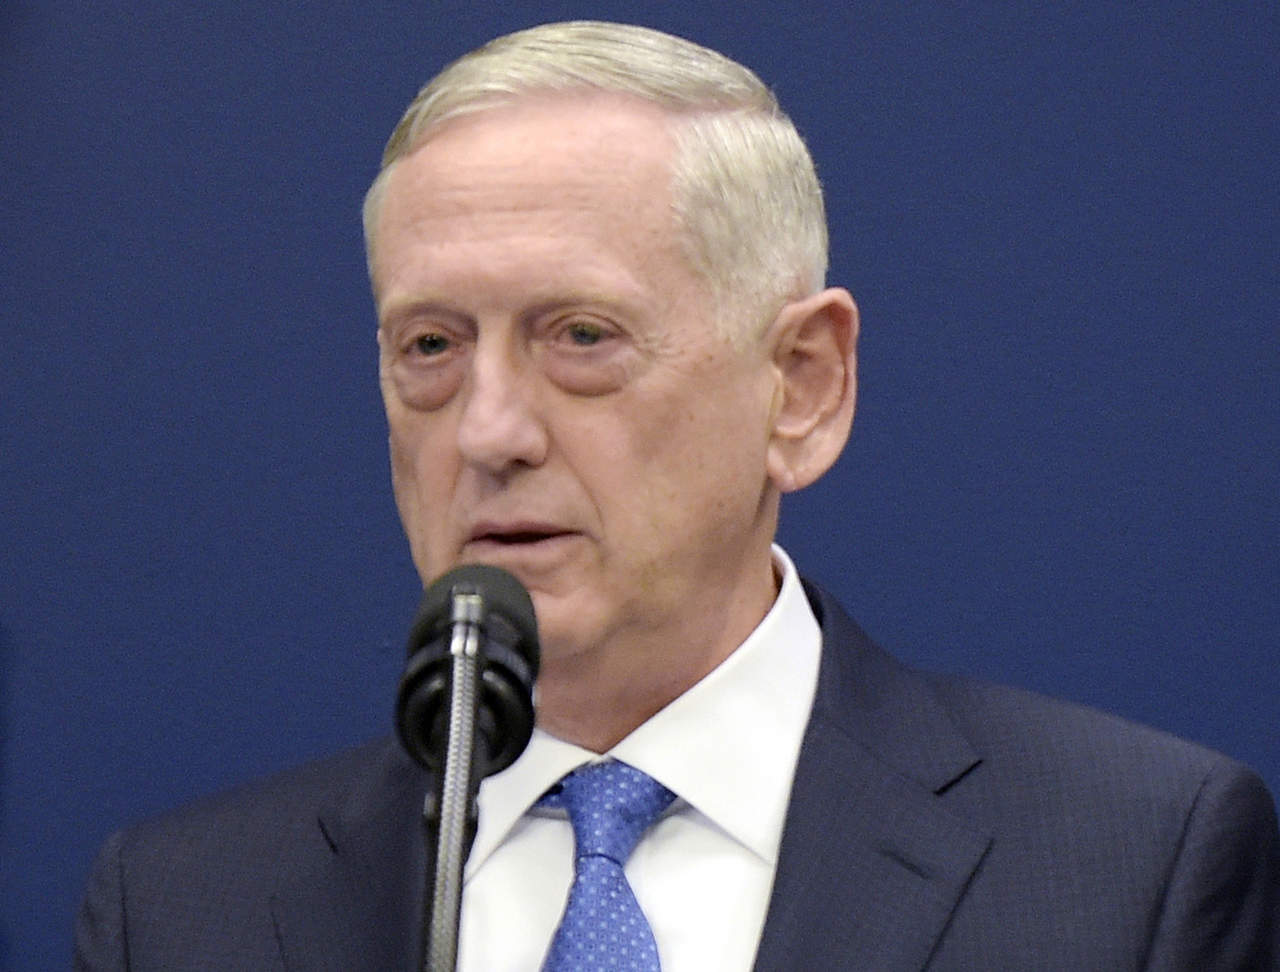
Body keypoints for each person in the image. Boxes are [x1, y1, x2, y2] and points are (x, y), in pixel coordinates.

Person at [75, 21, 1277, 971]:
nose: (488, 432)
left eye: (580, 336)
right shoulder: (181, 913)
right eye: (430, 346)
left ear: (799, 386)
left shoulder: (1131, 865)